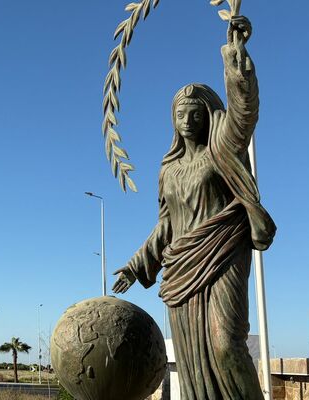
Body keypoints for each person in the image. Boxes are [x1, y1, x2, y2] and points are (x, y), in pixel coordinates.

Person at [112, 15, 275, 400]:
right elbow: (166, 226)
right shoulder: (169, 169)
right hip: (181, 265)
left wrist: (235, 59)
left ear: (208, 115)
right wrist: (137, 266)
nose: (187, 121)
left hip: (222, 252)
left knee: (225, 345)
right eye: (180, 114)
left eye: (195, 114)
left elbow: (244, 114)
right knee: (190, 359)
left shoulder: (223, 150)